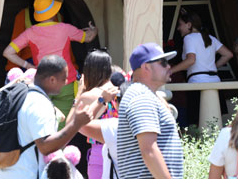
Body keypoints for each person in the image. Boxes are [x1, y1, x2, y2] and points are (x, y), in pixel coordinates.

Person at [3, 0, 98, 126]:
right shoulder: (65, 28)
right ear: (54, 12)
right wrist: (94, 30)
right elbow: (88, 37)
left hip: (43, 84)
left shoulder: (30, 32)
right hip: (66, 83)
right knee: (61, 126)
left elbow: (8, 52)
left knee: (41, 123)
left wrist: (28, 66)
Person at [0, 55, 94, 179]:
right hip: (27, 174)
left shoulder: (13, 95)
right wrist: (76, 124)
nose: (66, 82)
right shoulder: (39, 103)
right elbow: (45, 147)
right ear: (52, 79)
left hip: (3, 173)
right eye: (64, 78)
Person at [117, 42, 183, 179]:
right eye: (163, 62)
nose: (169, 66)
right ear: (146, 66)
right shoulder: (142, 96)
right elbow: (149, 150)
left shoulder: (144, 94)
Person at [66, 51, 119, 179]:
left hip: (99, 155)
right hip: (122, 153)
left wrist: (79, 95)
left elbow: (70, 125)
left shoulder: (89, 96)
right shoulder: (118, 91)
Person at [78, 81, 132, 179]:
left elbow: (79, 124)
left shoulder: (116, 127)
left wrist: (101, 100)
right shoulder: (154, 128)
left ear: (117, 104)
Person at [170, 8, 233, 83]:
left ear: (189, 25)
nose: (178, 28)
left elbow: (191, 60)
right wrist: (212, 68)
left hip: (198, 81)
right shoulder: (210, 37)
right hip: (215, 80)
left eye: (180, 24)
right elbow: (228, 54)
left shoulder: (189, 37)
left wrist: (170, 71)